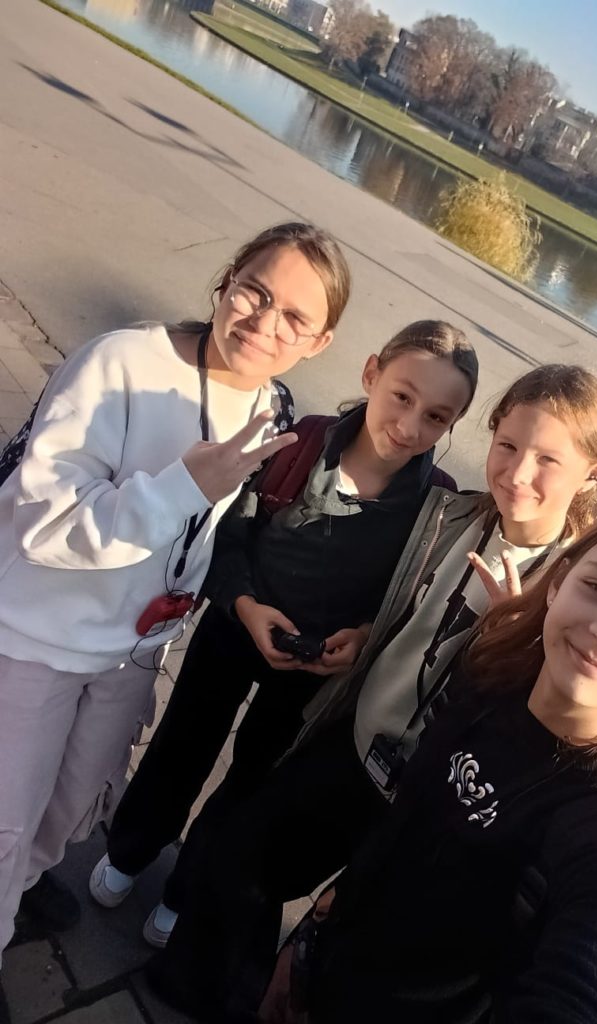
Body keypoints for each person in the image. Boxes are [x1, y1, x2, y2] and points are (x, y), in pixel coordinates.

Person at [145, 364, 597, 1020]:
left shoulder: (574, 589)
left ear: (594, 471)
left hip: (431, 796)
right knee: (242, 859)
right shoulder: (450, 515)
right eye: (508, 445)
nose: (517, 472)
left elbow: (566, 721)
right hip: (359, 743)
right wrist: (367, 635)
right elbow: (404, 606)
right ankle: (212, 994)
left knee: (347, 939)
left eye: (548, 459)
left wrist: (513, 645)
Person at [0, 221, 350, 994]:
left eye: (295, 317)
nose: (264, 323)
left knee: (71, 812)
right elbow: (44, 523)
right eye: (255, 292)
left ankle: (17, 893)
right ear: (228, 280)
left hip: (131, 653)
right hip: (35, 637)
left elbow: (226, 531)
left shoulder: (273, 406)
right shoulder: (121, 364)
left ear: (318, 342)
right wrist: (181, 487)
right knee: (6, 823)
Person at [89, 321, 479, 947]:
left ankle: (188, 890)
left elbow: (406, 597)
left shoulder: (435, 506)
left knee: (253, 777)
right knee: (184, 742)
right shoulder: (301, 443)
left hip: (314, 667)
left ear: (453, 423)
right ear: (372, 373)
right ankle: (131, 848)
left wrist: (364, 635)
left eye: (436, 416)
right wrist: (244, 604)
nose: (409, 426)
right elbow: (231, 530)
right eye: (401, 396)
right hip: (235, 625)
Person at [281, 506, 597, 1024]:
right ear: (558, 582)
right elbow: (405, 820)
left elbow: (588, 978)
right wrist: (315, 929)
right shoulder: (492, 678)